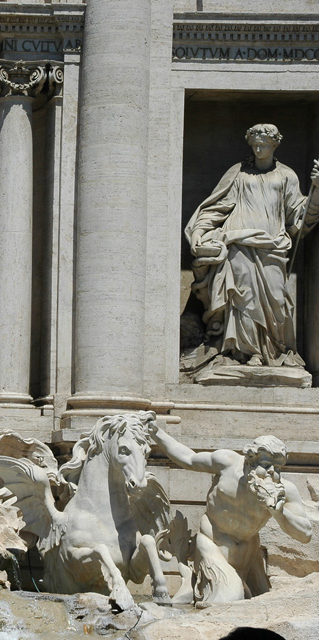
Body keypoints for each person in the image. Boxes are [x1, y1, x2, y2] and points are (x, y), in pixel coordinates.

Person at [185, 124, 319, 368]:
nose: (258, 149)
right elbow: (217, 207)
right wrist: (198, 231)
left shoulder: (287, 175)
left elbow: (300, 217)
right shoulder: (238, 173)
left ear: (275, 144)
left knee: (277, 298)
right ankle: (247, 353)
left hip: (273, 246)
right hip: (239, 243)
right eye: (255, 145)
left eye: (264, 145)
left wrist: (317, 190)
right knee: (243, 297)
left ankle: (275, 351)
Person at [149, 424, 312, 604]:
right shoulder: (227, 463)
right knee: (230, 599)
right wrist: (157, 433)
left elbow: (305, 534)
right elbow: (188, 458)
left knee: (263, 603)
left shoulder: (285, 490)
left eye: (278, 468)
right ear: (249, 461)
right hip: (212, 545)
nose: (272, 473)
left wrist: (279, 512)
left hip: (249, 556)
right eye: (266, 466)